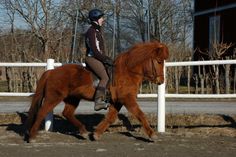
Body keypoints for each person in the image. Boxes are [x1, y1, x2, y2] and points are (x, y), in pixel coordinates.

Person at [85, 9, 113, 111]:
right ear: (96, 19)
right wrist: (105, 59)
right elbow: (95, 51)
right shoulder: (92, 32)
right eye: (101, 18)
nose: (103, 20)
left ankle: (107, 97)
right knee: (105, 77)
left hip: (97, 57)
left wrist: (107, 58)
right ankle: (98, 102)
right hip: (92, 58)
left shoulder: (97, 31)